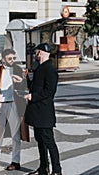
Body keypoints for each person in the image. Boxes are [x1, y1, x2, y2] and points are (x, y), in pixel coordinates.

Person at [23, 43, 62, 175]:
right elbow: (36, 87)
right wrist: (27, 78)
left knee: (49, 142)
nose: (35, 55)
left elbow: (50, 91)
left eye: (36, 52)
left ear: (40, 53)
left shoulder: (49, 69)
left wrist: (32, 96)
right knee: (40, 142)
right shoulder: (40, 68)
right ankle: (43, 168)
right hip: (37, 112)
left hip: (44, 113)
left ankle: (57, 170)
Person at [0, 48, 26, 171]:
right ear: (3, 59)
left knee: (16, 134)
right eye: (10, 58)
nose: (12, 61)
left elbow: (25, 87)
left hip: (14, 104)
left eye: (14, 58)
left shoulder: (18, 70)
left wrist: (22, 81)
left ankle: (16, 161)